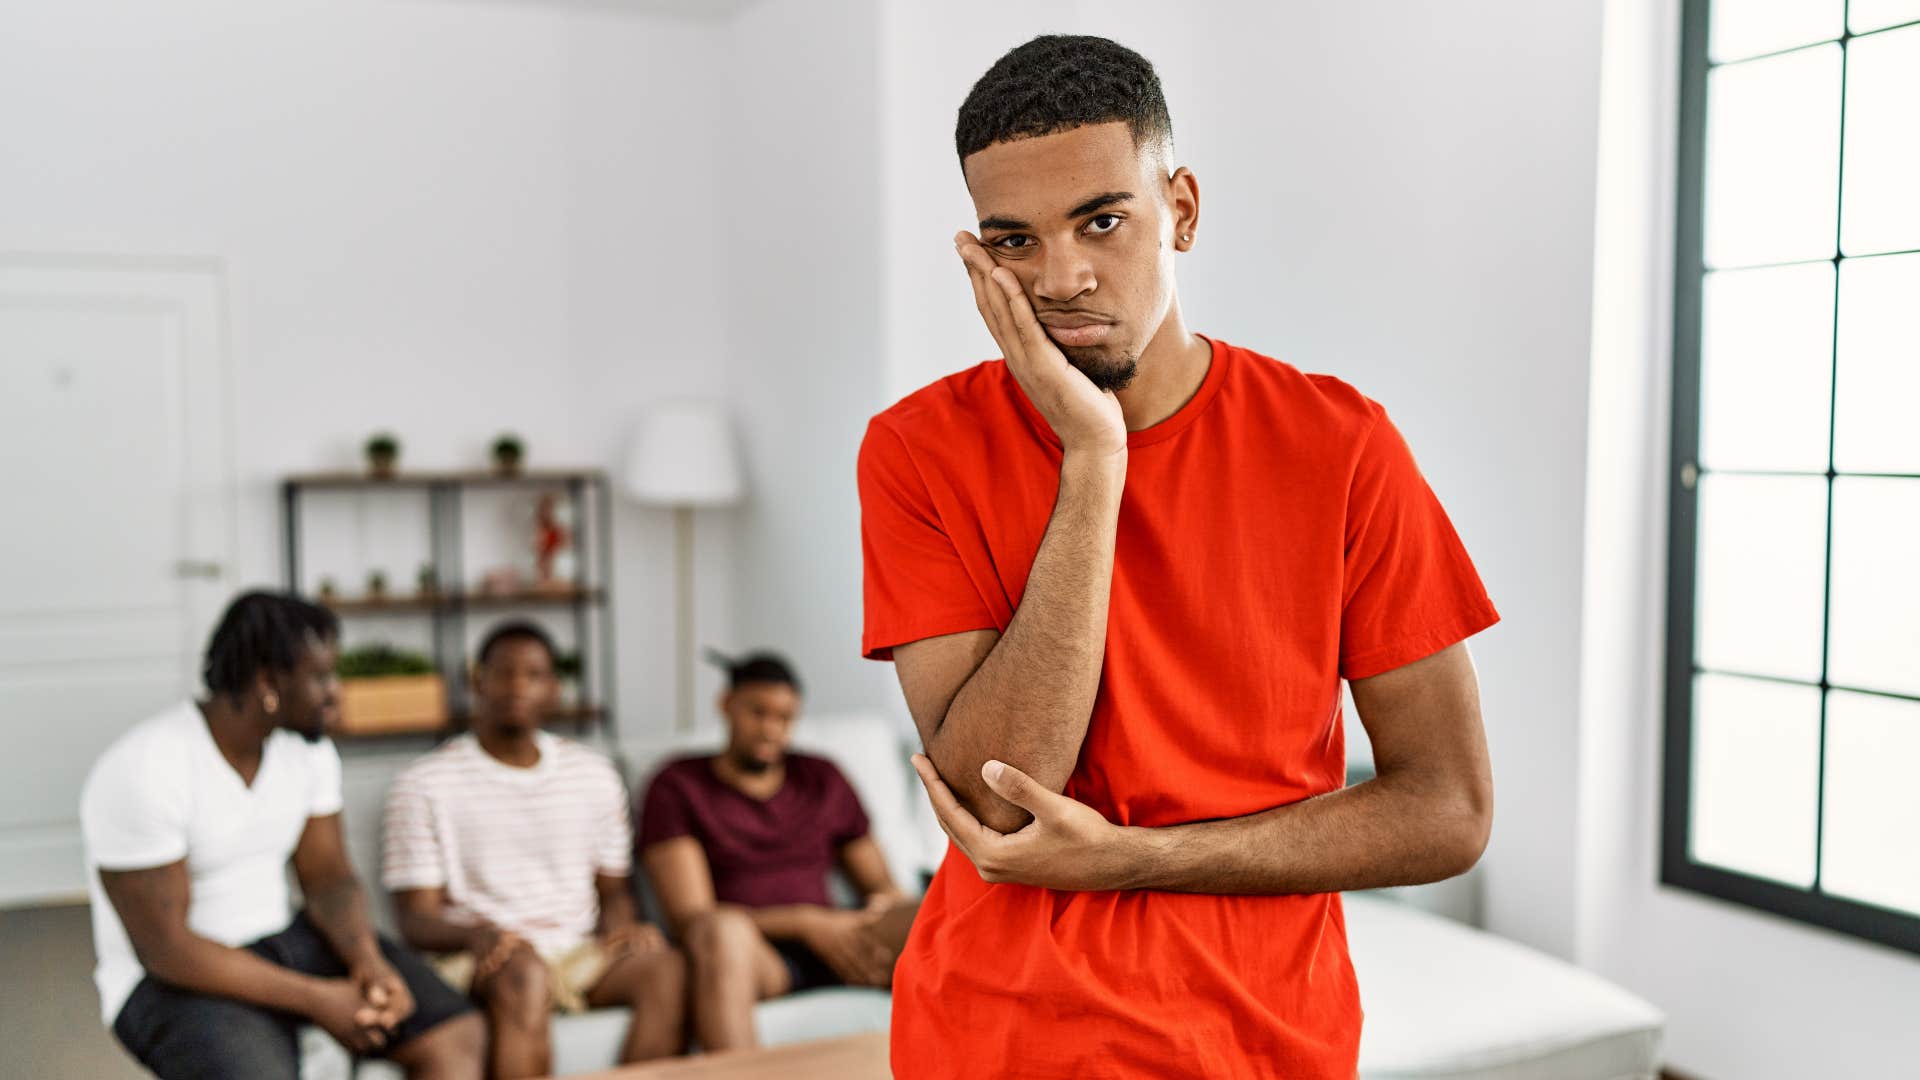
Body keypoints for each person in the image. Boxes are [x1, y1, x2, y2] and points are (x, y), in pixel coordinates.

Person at [857, 35, 1503, 1079]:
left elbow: (1449, 810)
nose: (1062, 278)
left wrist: (1134, 863)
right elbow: (998, 801)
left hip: (1262, 1047)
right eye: (1014, 242)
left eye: (1103, 221)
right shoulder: (915, 450)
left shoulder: (1339, 445)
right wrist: (1095, 459)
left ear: (1183, 212)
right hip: (993, 1041)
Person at [79, 591, 484, 1080]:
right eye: (320, 677)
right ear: (268, 682)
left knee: (453, 1035)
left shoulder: (306, 750)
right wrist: (318, 1000)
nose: (336, 693)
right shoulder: (146, 769)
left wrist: (368, 964)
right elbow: (167, 948)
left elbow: (330, 880)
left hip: (284, 938)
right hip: (174, 976)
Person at [383, 621, 686, 1078]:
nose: (518, 686)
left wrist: (623, 928)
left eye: (534, 674)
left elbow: (615, 890)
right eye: (503, 672)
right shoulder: (425, 784)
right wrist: (475, 935)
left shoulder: (594, 775)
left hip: (579, 952)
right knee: (525, 975)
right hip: (486, 956)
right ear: (477, 681)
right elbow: (414, 920)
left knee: (667, 969)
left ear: (554, 689)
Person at [637, 652, 916, 1052]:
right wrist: (805, 923)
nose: (770, 730)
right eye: (758, 713)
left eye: (784, 718)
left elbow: (881, 885)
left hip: (841, 940)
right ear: (726, 704)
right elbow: (690, 919)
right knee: (719, 932)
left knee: (938, 913)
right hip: (756, 955)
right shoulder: (678, 785)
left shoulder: (822, 777)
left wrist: (882, 910)